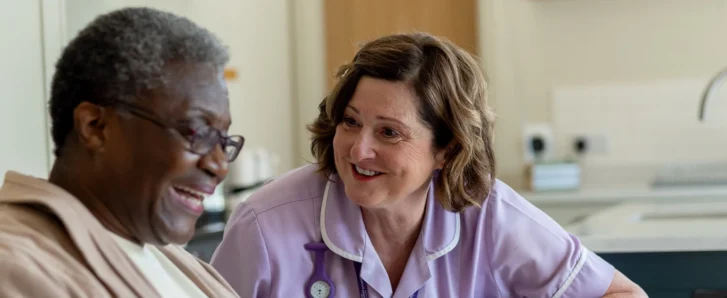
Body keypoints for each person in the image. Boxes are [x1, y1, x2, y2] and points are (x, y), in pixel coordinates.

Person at [209, 32, 647, 297]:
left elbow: (620, 294)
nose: (359, 150)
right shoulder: (263, 225)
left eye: (389, 132)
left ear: (448, 150)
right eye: (350, 122)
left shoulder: (490, 217)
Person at [0, 7, 243, 297]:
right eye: (197, 132)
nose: (219, 166)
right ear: (95, 127)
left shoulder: (166, 258)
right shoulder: (18, 266)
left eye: (223, 141)